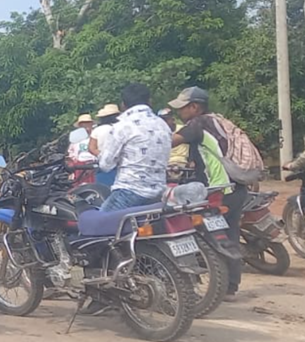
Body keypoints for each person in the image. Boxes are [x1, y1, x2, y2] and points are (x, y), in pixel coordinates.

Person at [169, 87, 246, 301]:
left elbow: (169, 142)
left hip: (217, 189)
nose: (180, 113)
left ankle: (197, 284)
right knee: (229, 234)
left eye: (183, 108)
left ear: (195, 107)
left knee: (193, 231)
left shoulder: (197, 124)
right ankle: (230, 287)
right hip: (236, 187)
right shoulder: (219, 121)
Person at [98, 83, 171, 212]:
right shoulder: (163, 125)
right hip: (159, 193)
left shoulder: (122, 126)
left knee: (95, 226)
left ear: (123, 105)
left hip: (129, 192)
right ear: (150, 101)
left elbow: (105, 165)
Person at [89, 104, 120, 187]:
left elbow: (91, 148)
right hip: (119, 163)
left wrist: (102, 155)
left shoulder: (97, 130)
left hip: (103, 164)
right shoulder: (120, 128)